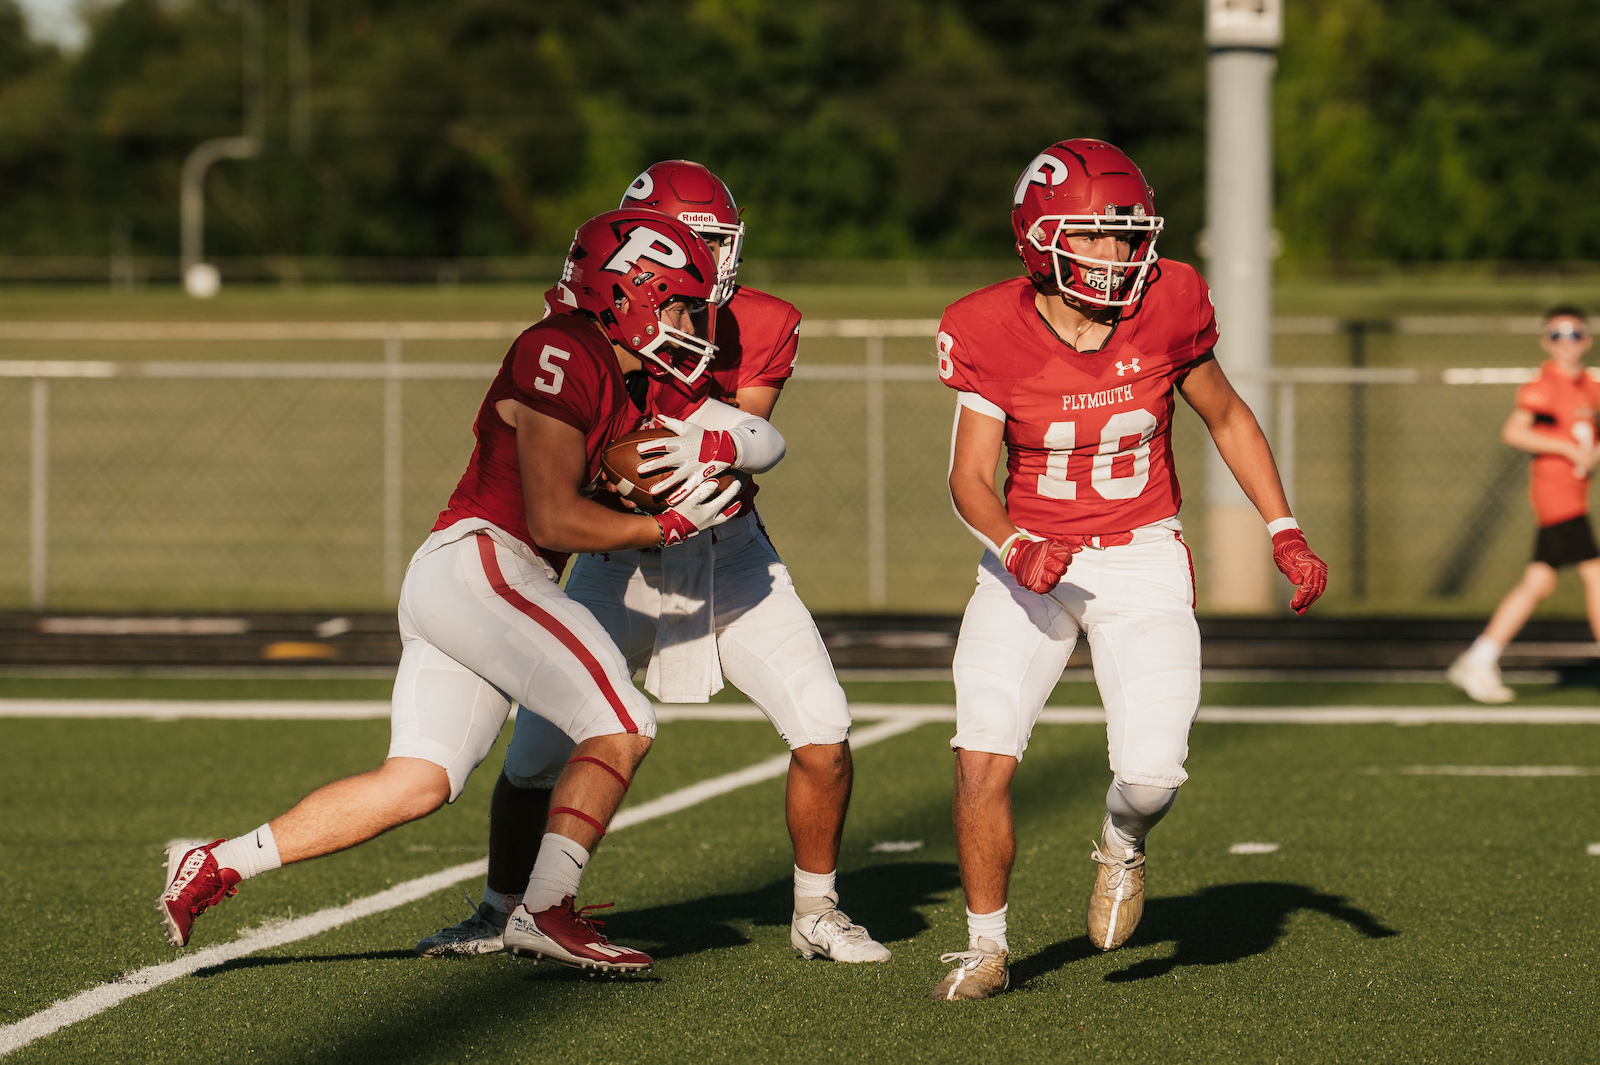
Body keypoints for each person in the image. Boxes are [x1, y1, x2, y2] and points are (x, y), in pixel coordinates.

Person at [158, 208, 783, 974]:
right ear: (629, 295)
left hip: (466, 580)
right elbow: (553, 516)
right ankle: (545, 907)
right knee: (623, 720)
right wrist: (665, 526)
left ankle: (217, 861)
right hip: (486, 562)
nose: (690, 325)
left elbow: (753, 440)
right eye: (679, 306)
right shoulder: (561, 349)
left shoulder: (613, 374)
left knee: (418, 782)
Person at [416, 160, 890, 964]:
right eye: (688, 243)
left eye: (715, 242)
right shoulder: (581, 334)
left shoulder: (757, 321)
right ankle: (500, 908)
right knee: (534, 755)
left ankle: (817, 908)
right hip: (625, 553)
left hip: (729, 551)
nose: (709, 262)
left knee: (823, 726)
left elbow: (753, 436)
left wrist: (713, 442)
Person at [929, 139, 1328, 1001]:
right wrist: (1014, 545)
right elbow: (968, 476)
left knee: (1150, 777)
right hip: (1028, 559)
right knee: (982, 754)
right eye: (1094, 235)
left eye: (1127, 234)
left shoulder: (1170, 298)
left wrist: (1284, 527)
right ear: (1039, 237)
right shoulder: (986, 324)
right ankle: (986, 945)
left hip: (1142, 550)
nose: (1116, 254)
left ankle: (1122, 843)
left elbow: (1227, 415)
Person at [1448, 307, 1600, 703]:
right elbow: (1515, 431)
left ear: (1586, 339)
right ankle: (1478, 660)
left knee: (1539, 582)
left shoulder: (1590, 385)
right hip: (1556, 495)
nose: (1565, 342)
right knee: (1596, 575)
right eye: (1556, 334)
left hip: (1575, 494)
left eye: (1573, 333)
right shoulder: (1544, 386)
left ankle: (1479, 658)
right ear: (1545, 341)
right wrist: (1567, 449)